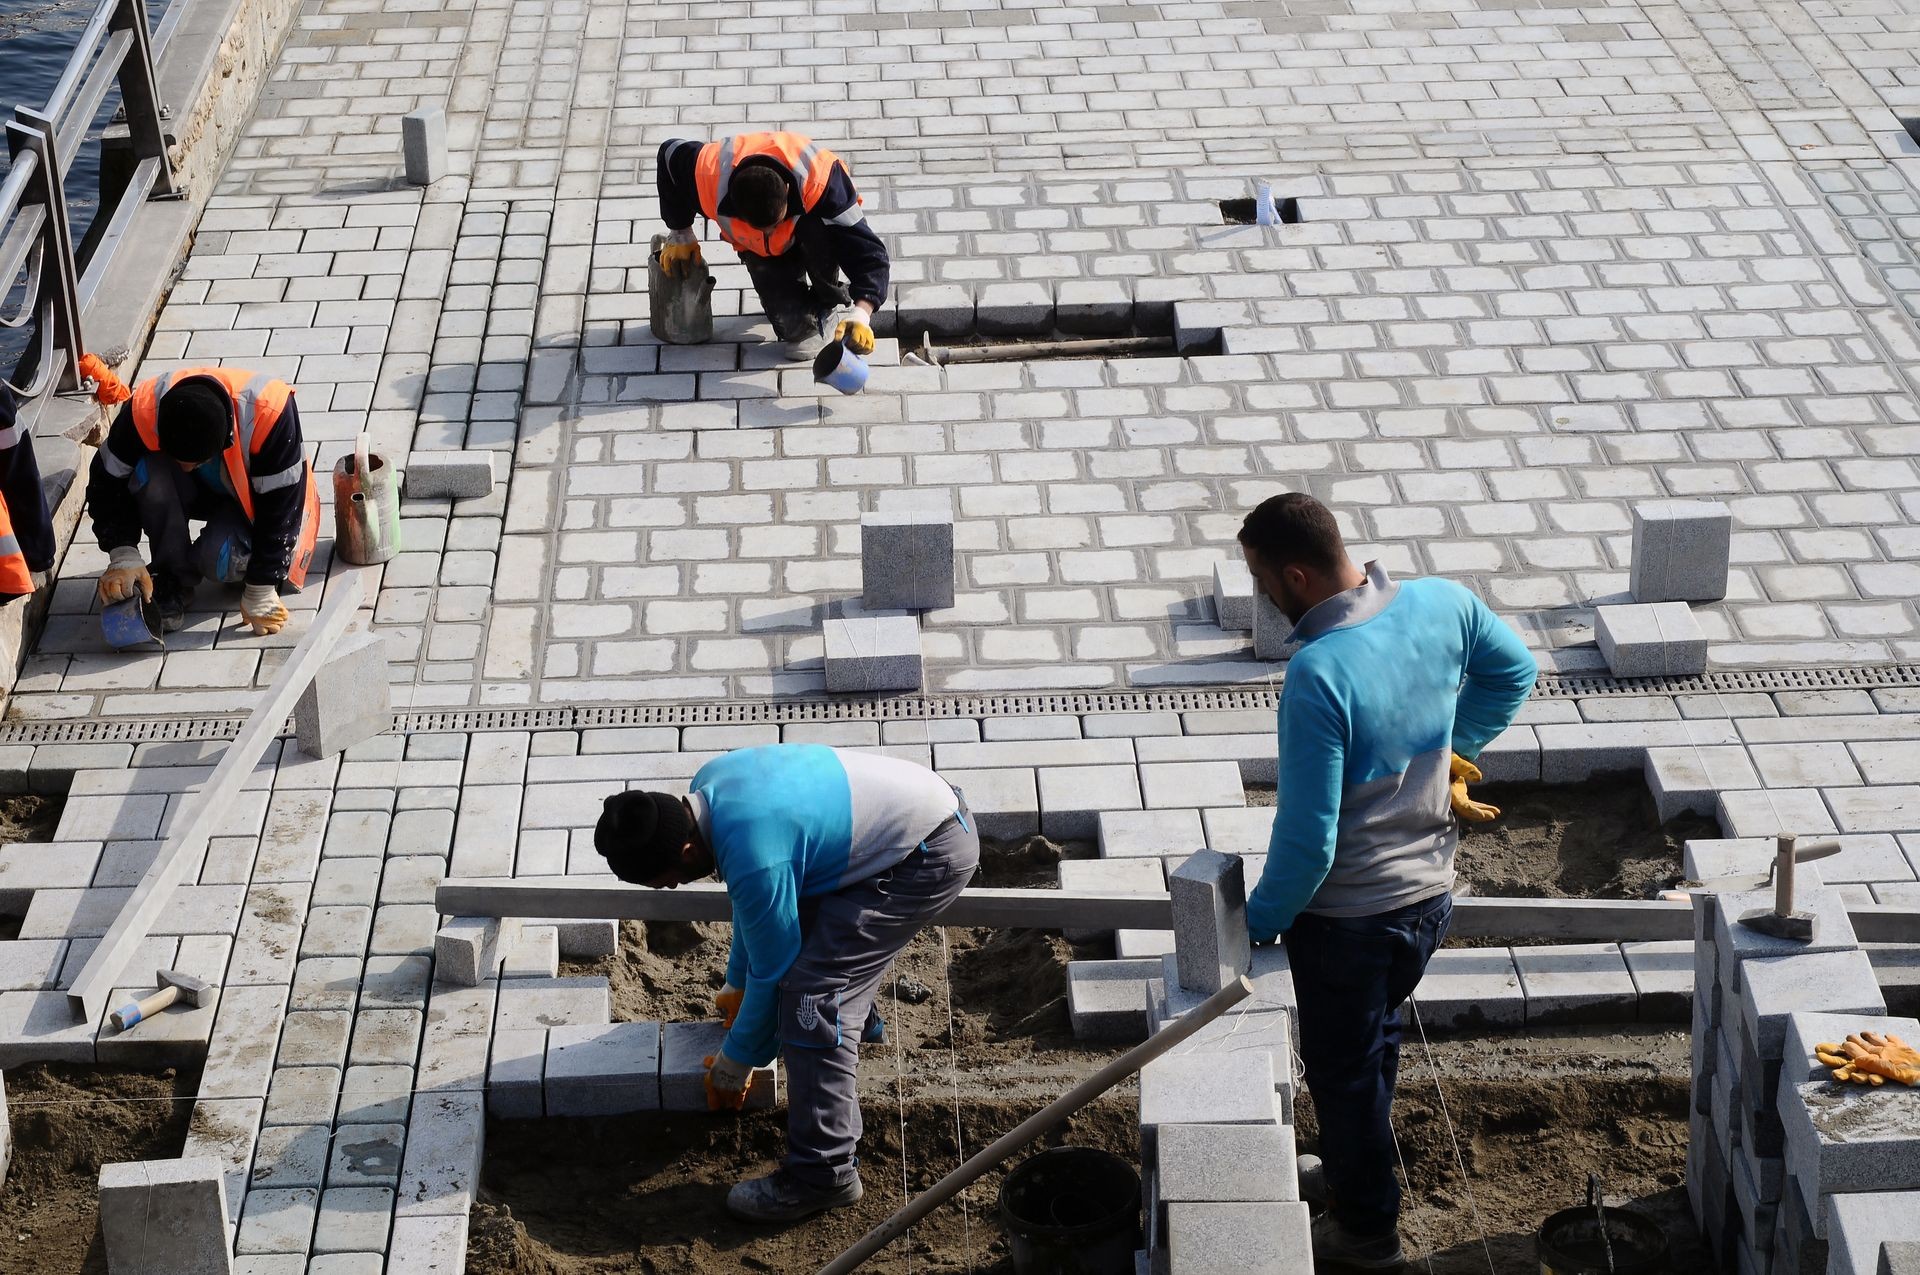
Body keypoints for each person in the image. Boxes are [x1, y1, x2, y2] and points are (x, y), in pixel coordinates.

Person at [1238, 493, 1534, 1270]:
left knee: (1341, 1067)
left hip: (1349, 920)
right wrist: (1447, 751)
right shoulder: (1444, 602)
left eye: (1264, 582)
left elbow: (1308, 840)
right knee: (1373, 1040)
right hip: (1429, 899)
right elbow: (1516, 671)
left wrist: (1258, 917)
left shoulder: (1318, 671)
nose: (1263, 597)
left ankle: (1366, 1229)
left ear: (1296, 575)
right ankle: (1348, 1169)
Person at [594, 743, 977, 1224]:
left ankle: (824, 1173)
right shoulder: (711, 784)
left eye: (669, 880)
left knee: (812, 1000)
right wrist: (736, 983)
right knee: (816, 949)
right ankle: (864, 1024)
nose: (673, 889)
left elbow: (774, 969)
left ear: (688, 851)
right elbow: (757, 903)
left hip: (926, 852)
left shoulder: (753, 851)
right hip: (904, 820)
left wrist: (739, 1058)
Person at [87, 367, 321, 636]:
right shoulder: (144, 410)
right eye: (179, 461)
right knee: (150, 473)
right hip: (207, 488)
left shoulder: (270, 411)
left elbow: (282, 509)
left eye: (195, 462)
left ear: (226, 440)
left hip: (265, 502)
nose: (186, 468)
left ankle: (239, 559)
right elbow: (105, 483)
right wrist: (122, 552)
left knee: (218, 560)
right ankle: (171, 577)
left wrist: (262, 584)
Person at [654, 132, 888, 360]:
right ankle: (796, 304)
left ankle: (825, 305)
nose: (769, 232)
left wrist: (862, 313)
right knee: (792, 328)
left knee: (821, 230)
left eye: (774, 224)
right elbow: (668, 153)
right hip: (761, 251)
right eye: (759, 227)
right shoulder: (707, 174)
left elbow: (867, 253)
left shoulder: (823, 183)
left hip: (811, 231)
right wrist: (681, 232)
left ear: (786, 189)